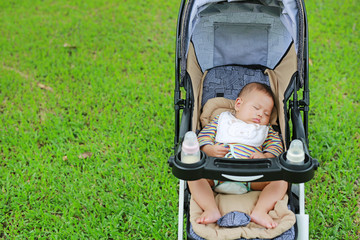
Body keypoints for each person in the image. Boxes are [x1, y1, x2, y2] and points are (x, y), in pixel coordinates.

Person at [188, 82, 288, 229]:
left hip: (252, 177)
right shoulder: (222, 120)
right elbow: (204, 136)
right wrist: (209, 149)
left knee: (282, 180)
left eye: (267, 113)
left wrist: (265, 156)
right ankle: (211, 208)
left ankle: (260, 211)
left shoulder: (266, 131)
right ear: (239, 104)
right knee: (193, 174)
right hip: (216, 173)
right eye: (256, 108)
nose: (261, 114)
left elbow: (276, 146)